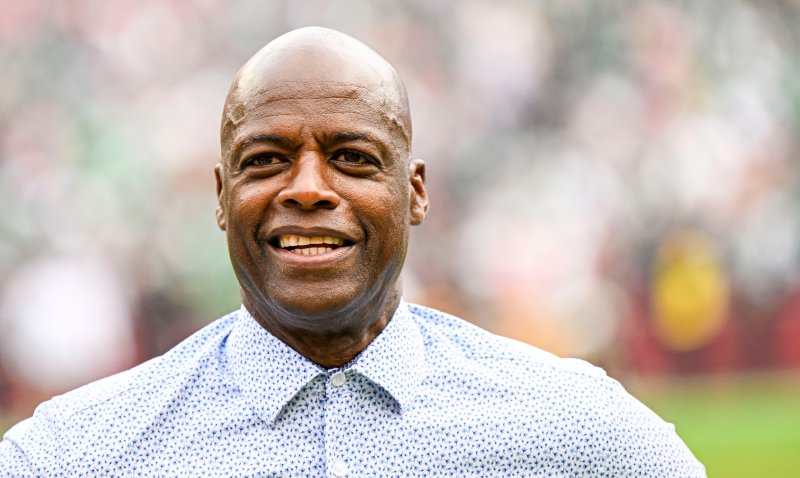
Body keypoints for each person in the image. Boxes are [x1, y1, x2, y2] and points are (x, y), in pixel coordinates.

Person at [0, 27, 705, 476]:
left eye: (354, 157)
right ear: (220, 197)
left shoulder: (576, 432)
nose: (307, 188)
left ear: (415, 192)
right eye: (267, 159)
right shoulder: (73, 455)